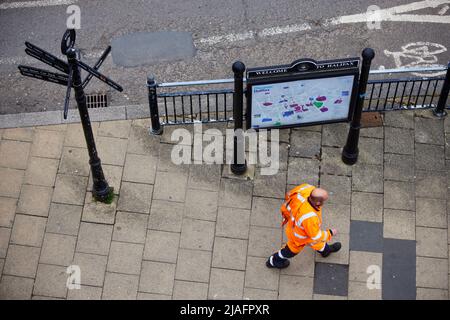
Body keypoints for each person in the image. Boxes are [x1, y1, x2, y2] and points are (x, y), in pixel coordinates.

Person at [266, 183, 342, 269]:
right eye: (324, 201)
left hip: (300, 227)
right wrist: (330, 233)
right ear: (317, 202)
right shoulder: (309, 218)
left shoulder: (307, 190)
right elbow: (315, 236)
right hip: (299, 236)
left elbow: (290, 194)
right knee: (291, 250)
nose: (324, 203)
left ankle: (325, 250)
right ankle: (274, 261)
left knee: (316, 242)